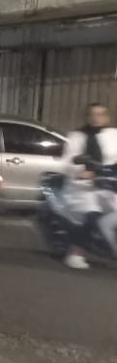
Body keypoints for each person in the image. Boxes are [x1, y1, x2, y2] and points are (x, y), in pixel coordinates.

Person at [61, 102, 117, 269]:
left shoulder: (114, 135)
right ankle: (75, 253)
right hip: (83, 187)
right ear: (87, 117)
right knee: (91, 213)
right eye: (92, 114)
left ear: (107, 117)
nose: (96, 118)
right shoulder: (76, 136)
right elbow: (67, 162)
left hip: (109, 183)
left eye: (101, 114)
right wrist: (80, 171)